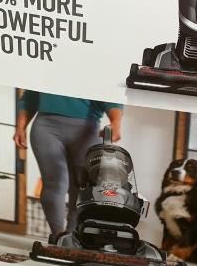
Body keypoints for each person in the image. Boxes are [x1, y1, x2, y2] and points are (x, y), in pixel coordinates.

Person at [14, 92, 123, 238]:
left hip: (88, 129)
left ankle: (72, 237)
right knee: (56, 182)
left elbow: (111, 98)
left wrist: (116, 123)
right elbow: (30, 97)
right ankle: (58, 236)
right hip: (46, 126)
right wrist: (20, 127)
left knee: (83, 187)